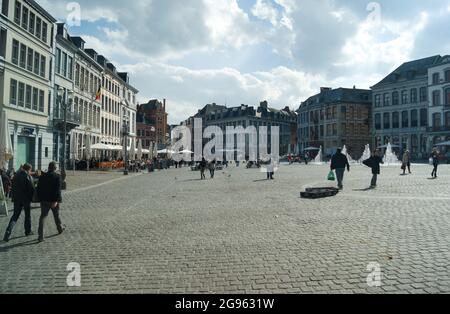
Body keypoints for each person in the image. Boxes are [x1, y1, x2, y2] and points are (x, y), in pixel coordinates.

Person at [3, 163, 35, 242]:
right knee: (27, 215)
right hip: (26, 199)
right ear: (29, 169)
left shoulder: (16, 175)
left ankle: (8, 232)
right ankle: (28, 231)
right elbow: (32, 188)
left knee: (15, 216)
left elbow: (13, 186)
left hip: (17, 199)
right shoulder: (28, 176)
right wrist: (32, 198)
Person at [36, 162, 65, 243]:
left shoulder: (42, 176)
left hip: (44, 200)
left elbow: (38, 188)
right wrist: (56, 201)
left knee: (43, 217)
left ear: (48, 167)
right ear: (55, 168)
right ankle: (59, 229)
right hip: (53, 200)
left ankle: (40, 236)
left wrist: (40, 198)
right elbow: (57, 190)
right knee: (56, 215)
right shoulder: (57, 176)